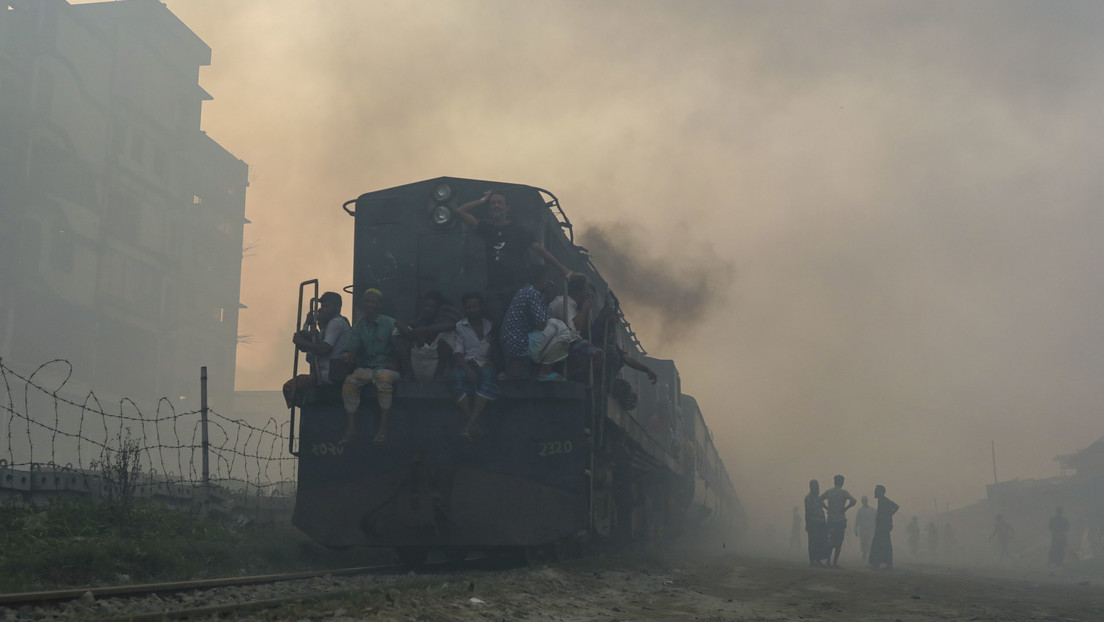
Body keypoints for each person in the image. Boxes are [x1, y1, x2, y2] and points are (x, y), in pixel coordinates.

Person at [455, 190, 574, 331]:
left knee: (519, 325)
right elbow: (460, 211)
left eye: (500, 203)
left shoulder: (518, 231)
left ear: (507, 208)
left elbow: (539, 250)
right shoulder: (485, 228)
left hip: (516, 288)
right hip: (495, 289)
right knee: (497, 326)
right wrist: (482, 200)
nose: (496, 206)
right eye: (493, 203)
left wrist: (562, 269)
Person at [338, 288, 400, 445]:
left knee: (383, 380)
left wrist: (397, 363)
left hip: (387, 368)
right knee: (349, 384)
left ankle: (383, 427)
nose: (369, 304)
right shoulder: (359, 327)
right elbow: (351, 348)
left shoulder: (390, 323)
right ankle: (351, 429)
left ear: (380, 305)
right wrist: (346, 356)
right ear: (362, 304)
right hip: (367, 369)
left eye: (373, 301)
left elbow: (401, 348)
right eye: (367, 301)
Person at [500, 265, 571, 380]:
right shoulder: (532, 293)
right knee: (560, 327)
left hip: (510, 344)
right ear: (542, 278)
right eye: (546, 278)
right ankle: (545, 371)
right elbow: (541, 324)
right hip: (519, 344)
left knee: (555, 327)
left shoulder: (524, 290)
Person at [282, 292, 351, 408]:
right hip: (324, 374)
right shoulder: (330, 327)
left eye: (326, 306)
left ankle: (307, 410)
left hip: (330, 374)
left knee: (289, 387)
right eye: (322, 307)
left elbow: (324, 349)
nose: (323, 310)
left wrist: (302, 342)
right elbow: (310, 346)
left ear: (337, 307)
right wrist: (306, 325)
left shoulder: (337, 323)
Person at [450, 292, 501, 439]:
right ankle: (474, 422)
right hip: (467, 364)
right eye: (468, 307)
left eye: (474, 307)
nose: (471, 310)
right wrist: (468, 370)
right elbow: (458, 353)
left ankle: (467, 426)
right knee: (456, 378)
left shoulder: (490, 326)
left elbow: (496, 349)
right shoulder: (460, 326)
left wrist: (493, 360)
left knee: (488, 375)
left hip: (485, 364)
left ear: (481, 307)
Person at [547, 274, 604, 380]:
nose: (588, 298)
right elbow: (572, 331)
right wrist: (585, 308)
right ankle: (569, 376)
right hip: (559, 344)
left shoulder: (575, 307)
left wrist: (585, 310)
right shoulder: (563, 304)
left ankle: (572, 376)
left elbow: (586, 329)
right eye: (586, 294)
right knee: (599, 355)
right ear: (578, 293)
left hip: (568, 343)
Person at [395, 290, 457, 382]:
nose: (428, 309)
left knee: (449, 334)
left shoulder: (443, 320)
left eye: (432, 307)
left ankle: (438, 374)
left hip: (436, 365)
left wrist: (421, 331)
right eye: (426, 306)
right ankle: (409, 373)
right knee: (398, 332)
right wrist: (411, 333)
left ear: (439, 309)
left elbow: (451, 325)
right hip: (415, 362)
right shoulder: (419, 319)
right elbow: (398, 322)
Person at [818, 474, 856, 568]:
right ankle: (835, 562)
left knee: (830, 540)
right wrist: (846, 508)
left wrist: (826, 507)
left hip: (830, 520)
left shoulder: (829, 492)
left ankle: (828, 561)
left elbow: (819, 499)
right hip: (840, 520)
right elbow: (854, 501)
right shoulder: (844, 492)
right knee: (839, 542)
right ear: (842, 482)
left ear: (834, 481)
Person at [868, 484, 899, 570]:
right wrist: (889, 515)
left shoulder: (884, 500)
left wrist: (888, 515)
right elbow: (895, 507)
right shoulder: (882, 500)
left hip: (883, 526)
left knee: (882, 544)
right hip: (882, 526)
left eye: (876, 491)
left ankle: (881, 563)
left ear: (881, 492)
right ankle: (878, 563)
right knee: (881, 544)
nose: (874, 492)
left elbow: (896, 507)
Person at [804, 479, 830, 567]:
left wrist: (828, 509)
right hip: (813, 523)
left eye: (817, 486)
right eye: (815, 486)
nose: (817, 488)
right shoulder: (808, 498)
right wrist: (807, 524)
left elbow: (824, 505)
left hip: (821, 522)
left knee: (820, 541)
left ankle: (817, 559)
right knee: (812, 541)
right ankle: (812, 560)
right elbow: (807, 512)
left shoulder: (818, 497)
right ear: (811, 487)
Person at [854, 495, 876, 561]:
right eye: (863, 500)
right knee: (863, 542)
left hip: (871, 528)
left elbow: (876, 518)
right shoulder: (860, 510)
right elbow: (857, 520)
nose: (865, 501)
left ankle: (869, 554)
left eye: (865, 500)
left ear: (867, 501)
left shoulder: (872, 510)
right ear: (862, 501)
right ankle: (864, 553)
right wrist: (856, 529)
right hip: (862, 529)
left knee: (870, 542)